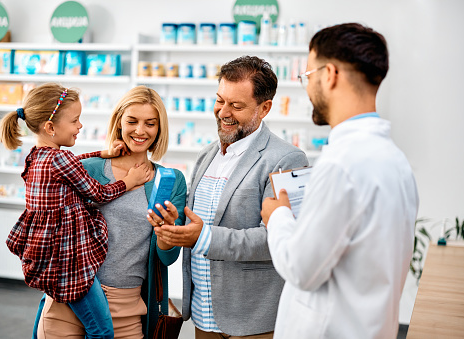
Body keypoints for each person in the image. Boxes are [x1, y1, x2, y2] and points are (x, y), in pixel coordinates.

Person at [260, 23, 420, 339]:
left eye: (307, 77)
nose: (307, 89)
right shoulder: (396, 161)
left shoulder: (341, 164)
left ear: (329, 74)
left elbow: (301, 269)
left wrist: (276, 215)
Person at [151, 56, 308, 338]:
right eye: (220, 100)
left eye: (236, 106)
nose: (224, 112)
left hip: (252, 319)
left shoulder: (286, 158)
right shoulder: (207, 154)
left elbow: (279, 239)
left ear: (265, 108)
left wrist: (202, 237)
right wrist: (176, 224)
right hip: (203, 313)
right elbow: (197, 221)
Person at [0, 83, 150, 339]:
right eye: (75, 120)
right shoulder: (61, 161)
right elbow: (98, 194)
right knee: (101, 332)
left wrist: (103, 153)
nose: (80, 126)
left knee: (48, 309)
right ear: (50, 127)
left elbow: (72, 163)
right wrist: (130, 181)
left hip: (47, 259)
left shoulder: (36, 157)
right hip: (70, 263)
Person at [34, 85, 187, 339]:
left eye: (150, 123)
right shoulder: (86, 169)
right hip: (67, 305)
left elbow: (167, 259)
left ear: (159, 129)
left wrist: (166, 233)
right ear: (119, 123)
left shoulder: (171, 180)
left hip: (127, 311)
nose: (140, 130)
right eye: (132, 121)